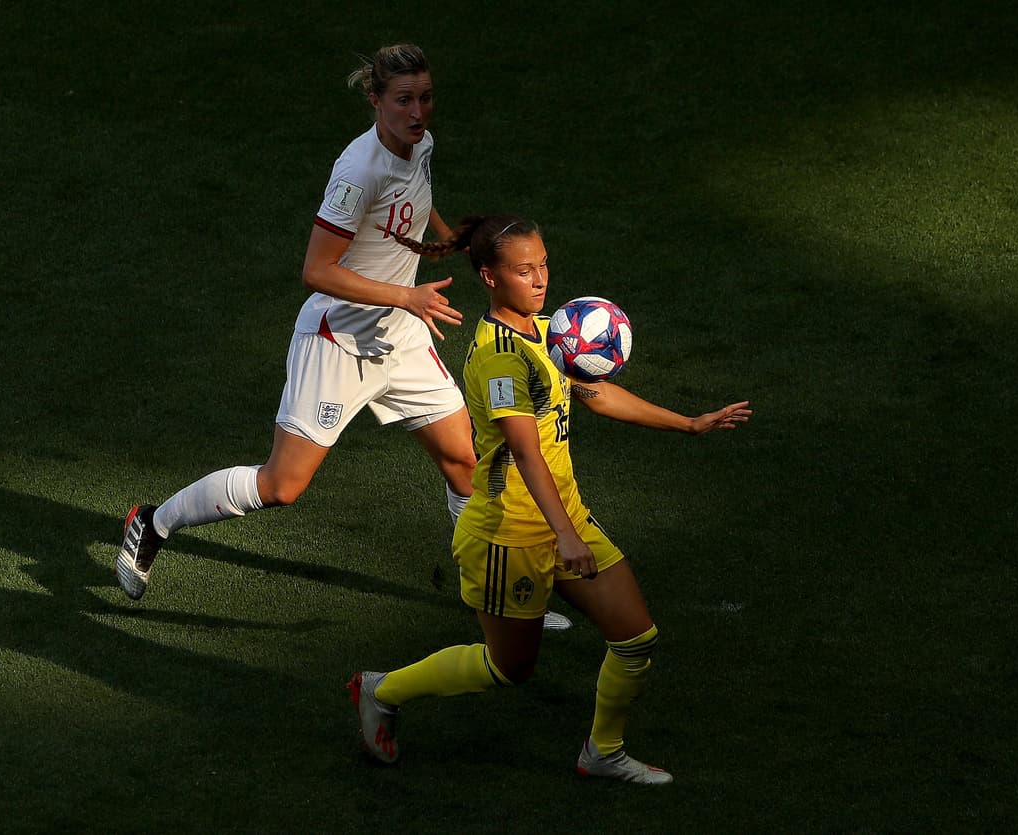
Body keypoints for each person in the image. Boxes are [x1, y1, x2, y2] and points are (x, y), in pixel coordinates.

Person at [113, 46, 572, 630]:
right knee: (282, 486)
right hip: (337, 340)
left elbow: (412, 200)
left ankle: (493, 592)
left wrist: (445, 237)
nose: (418, 111)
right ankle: (152, 523)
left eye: (425, 97)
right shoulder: (357, 174)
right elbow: (317, 270)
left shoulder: (420, 144)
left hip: (401, 337)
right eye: (403, 100)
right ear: (375, 100)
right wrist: (407, 294)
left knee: (464, 461)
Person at [348, 215, 752, 784]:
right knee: (509, 668)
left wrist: (688, 423)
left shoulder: (550, 331)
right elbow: (525, 449)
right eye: (523, 270)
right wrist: (564, 535)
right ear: (489, 278)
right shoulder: (498, 357)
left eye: (542, 266)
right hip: (508, 535)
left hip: (565, 519)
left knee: (637, 638)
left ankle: (602, 751)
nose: (539, 280)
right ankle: (380, 690)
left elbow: (595, 391)